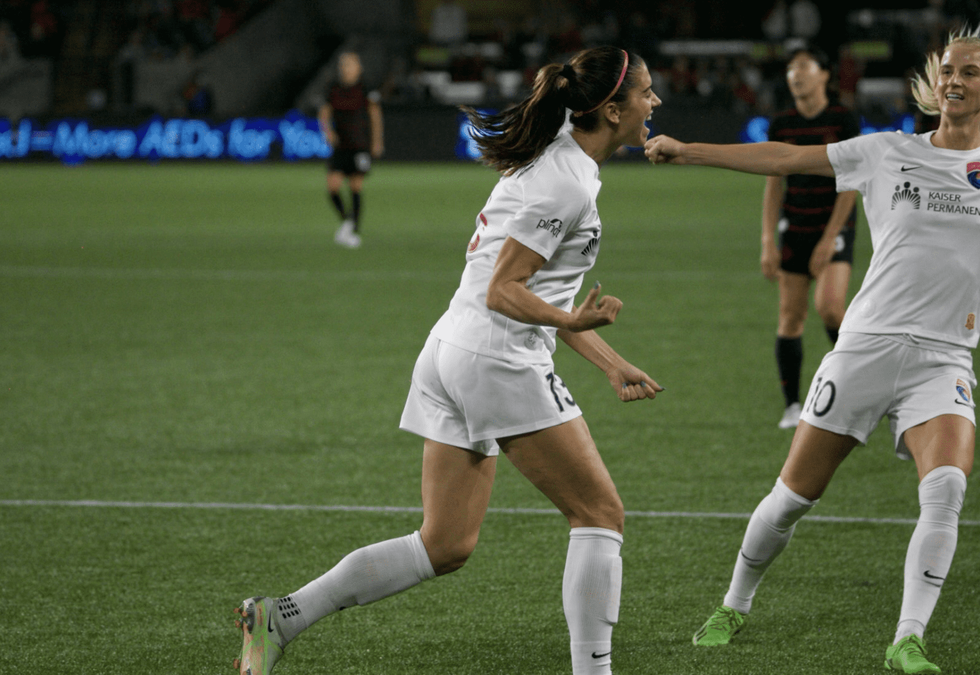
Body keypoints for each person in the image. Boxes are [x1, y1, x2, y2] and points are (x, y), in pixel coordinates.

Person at [645, 25, 980, 674]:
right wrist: (689, 151)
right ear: (936, 85)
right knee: (793, 497)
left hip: (944, 360)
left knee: (945, 490)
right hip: (864, 350)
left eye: (970, 73)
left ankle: (908, 638)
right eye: (947, 71)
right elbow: (788, 159)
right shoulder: (886, 151)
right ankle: (734, 603)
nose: (955, 81)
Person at [234, 46, 664, 675]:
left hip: (451, 351)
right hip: (495, 358)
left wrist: (606, 359)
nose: (655, 103)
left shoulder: (561, 166)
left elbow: (542, 295)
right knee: (598, 514)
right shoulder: (565, 180)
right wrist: (572, 322)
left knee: (445, 544)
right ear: (609, 107)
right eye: (647, 93)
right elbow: (506, 290)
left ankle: (281, 616)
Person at [761, 46, 860, 430]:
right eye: (790, 69)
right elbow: (773, 186)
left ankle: (855, 391)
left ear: (824, 75)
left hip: (832, 227)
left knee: (832, 309)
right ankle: (792, 407)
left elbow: (851, 186)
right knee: (790, 317)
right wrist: (767, 239)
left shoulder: (842, 119)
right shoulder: (781, 123)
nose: (795, 75)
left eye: (804, 67)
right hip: (795, 227)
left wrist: (830, 237)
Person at [318, 51, 383, 249]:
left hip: (359, 145)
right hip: (341, 146)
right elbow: (324, 113)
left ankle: (352, 231)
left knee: (355, 186)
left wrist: (377, 141)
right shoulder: (333, 89)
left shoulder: (364, 88)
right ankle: (347, 222)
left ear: (358, 68)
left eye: (350, 65)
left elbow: (374, 115)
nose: (346, 68)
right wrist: (328, 133)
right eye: (343, 65)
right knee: (333, 186)